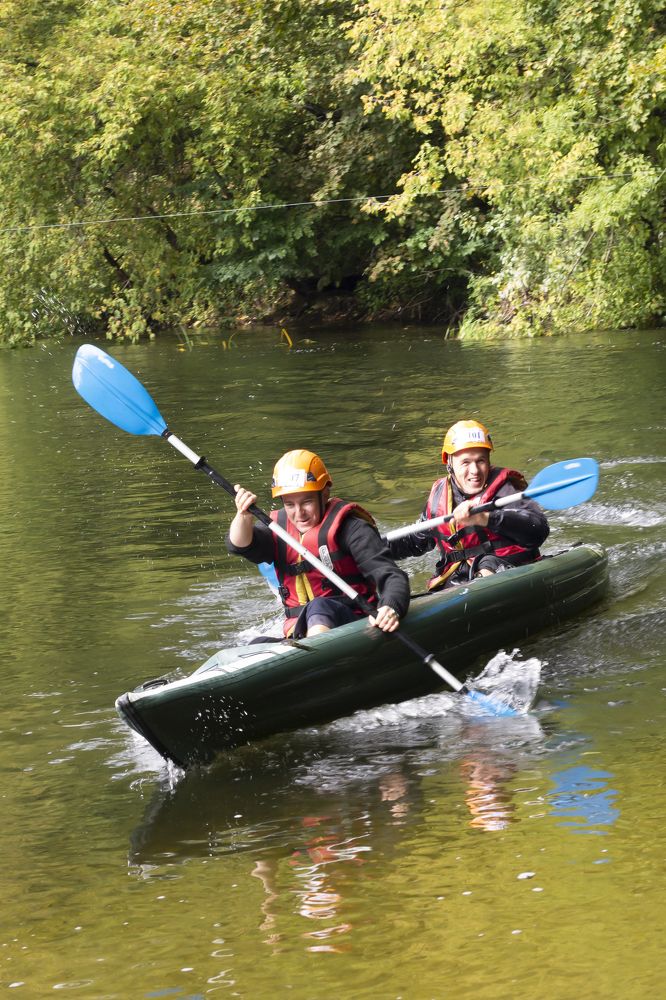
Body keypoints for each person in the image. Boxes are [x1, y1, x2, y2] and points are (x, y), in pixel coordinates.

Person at [226, 449, 410, 639]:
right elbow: (239, 545)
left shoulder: (353, 529)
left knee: (319, 606)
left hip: (354, 622)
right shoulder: (278, 530)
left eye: (306, 502)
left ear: (324, 495)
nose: (299, 513)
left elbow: (392, 577)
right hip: (301, 629)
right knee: (257, 643)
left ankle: (315, 653)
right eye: (290, 504)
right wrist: (243, 516)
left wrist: (390, 607)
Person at [389, 420, 549, 590]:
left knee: (488, 565)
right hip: (460, 576)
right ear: (449, 464)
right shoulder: (438, 498)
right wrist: (370, 547)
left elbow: (538, 529)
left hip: (503, 567)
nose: (474, 470)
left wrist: (485, 518)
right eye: (465, 462)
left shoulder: (505, 489)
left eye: (480, 461)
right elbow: (414, 542)